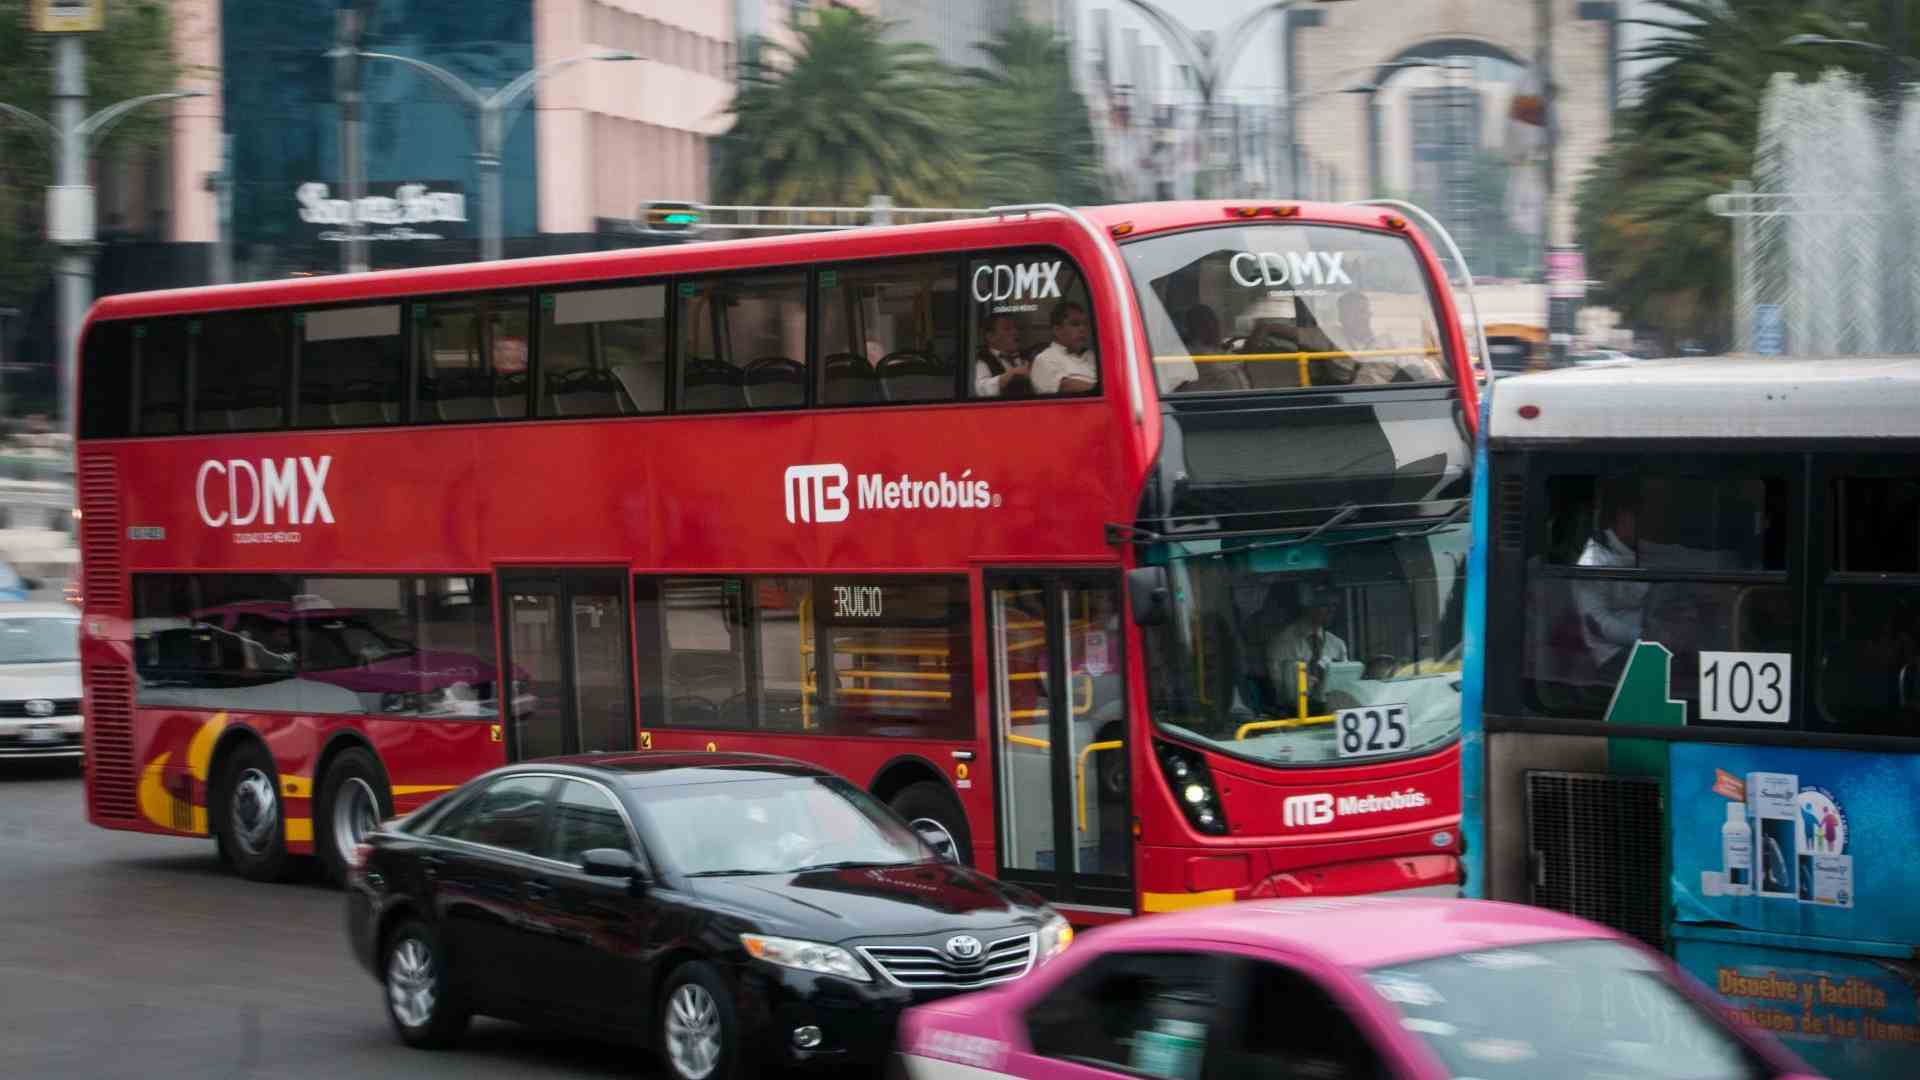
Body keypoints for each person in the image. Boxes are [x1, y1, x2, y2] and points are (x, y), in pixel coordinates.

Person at [1266, 583, 1349, 717]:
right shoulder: (1282, 643)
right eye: (1324, 605)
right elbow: (1279, 691)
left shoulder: (1337, 645)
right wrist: (1307, 682)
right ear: (1308, 607)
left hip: (1330, 717)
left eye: (1334, 606)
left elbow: (1345, 690)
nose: (1331, 611)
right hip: (1293, 717)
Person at [1029, 301, 1097, 394]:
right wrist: (1103, 388)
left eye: (1085, 324)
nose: (1083, 329)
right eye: (1075, 324)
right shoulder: (1044, 359)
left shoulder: (1093, 356)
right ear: (1057, 330)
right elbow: (1065, 386)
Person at [1179, 305, 1249, 391]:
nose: (1212, 328)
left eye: (1213, 323)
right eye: (1205, 324)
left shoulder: (1218, 349)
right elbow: (1213, 367)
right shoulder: (1191, 352)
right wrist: (1233, 364)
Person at [973, 313, 1033, 397]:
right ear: (990, 336)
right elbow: (981, 389)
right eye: (1007, 329)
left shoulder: (1028, 355)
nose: (1015, 332)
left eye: (1016, 328)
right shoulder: (982, 360)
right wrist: (1009, 376)